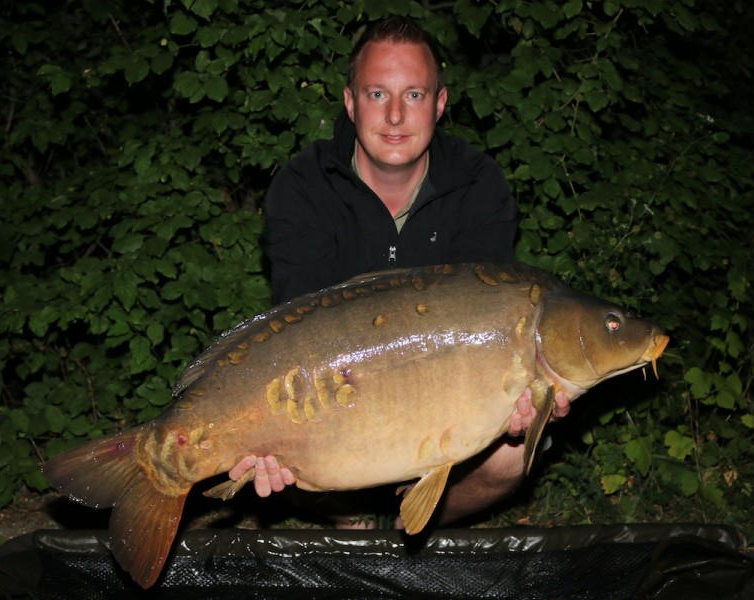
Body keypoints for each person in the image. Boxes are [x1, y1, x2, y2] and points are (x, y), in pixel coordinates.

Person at [227, 16, 569, 527]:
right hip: (340, 409)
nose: (393, 116)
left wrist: (518, 399)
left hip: (440, 403)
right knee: (282, 446)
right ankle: (354, 521)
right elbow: (298, 332)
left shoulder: (479, 189)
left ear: (439, 103)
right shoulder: (303, 188)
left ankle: (409, 524)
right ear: (349, 103)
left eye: (412, 95)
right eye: (376, 94)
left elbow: (488, 330)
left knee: (512, 453)